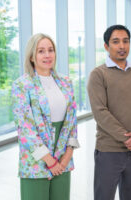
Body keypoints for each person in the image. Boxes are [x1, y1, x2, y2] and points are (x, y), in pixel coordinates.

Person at [12, 33, 79, 200]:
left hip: (63, 158)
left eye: (50, 50)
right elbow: (25, 128)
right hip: (36, 160)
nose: (47, 55)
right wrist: (49, 160)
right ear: (32, 56)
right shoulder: (22, 85)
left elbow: (72, 121)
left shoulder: (66, 82)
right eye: (41, 51)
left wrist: (67, 156)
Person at [87, 25, 131, 200]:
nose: (122, 46)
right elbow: (100, 113)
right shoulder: (98, 75)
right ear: (106, 46)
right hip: (109, 151)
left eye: (126, 41)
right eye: (116, 42)